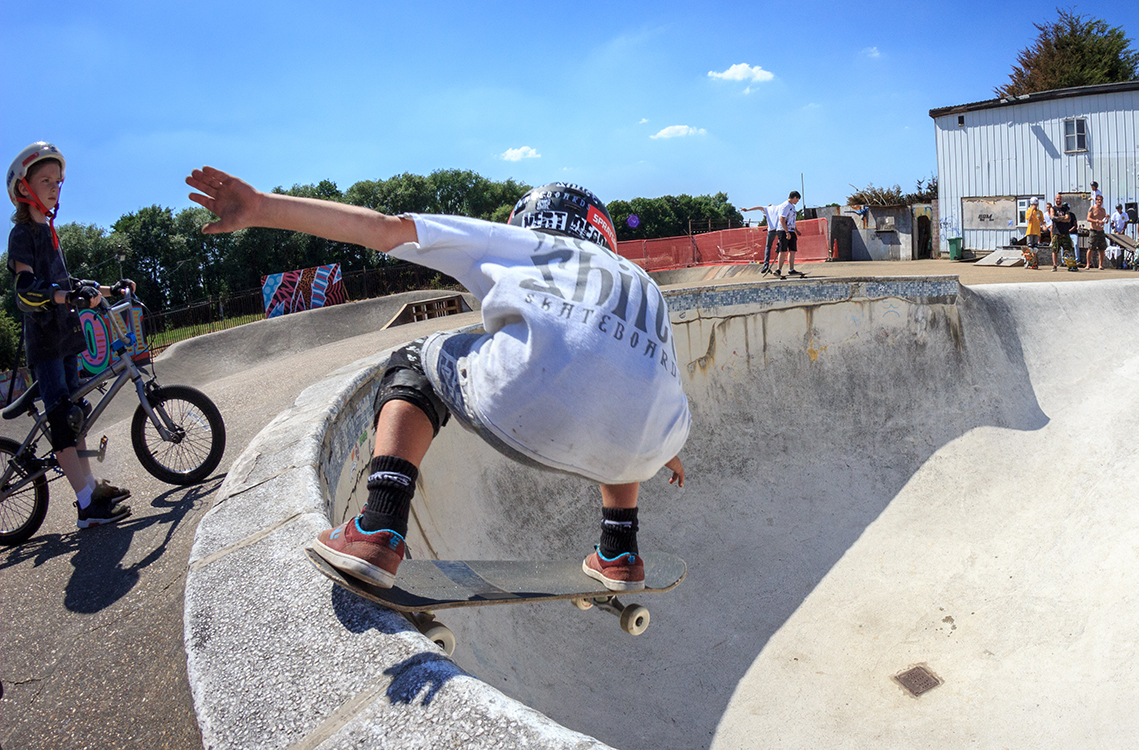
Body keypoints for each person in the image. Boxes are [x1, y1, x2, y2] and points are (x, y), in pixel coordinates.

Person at [186, 167, 690, 592]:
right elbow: (641, 372)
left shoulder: (518, 241)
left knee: (415, 354)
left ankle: (379, 524)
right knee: (609, 380)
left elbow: (381, 229)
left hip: (525, 404)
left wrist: (260, 207)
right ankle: (621, 552)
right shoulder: (638, 279)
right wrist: (659, 446)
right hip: (652, 439)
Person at [6, 142, 132, 528]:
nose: (54, 187)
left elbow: (67, 283)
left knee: (76, 417)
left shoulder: (51, 233)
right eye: (45, 180)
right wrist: (63, 295)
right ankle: (84, 505)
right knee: (63, 420)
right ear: (24, 188)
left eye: (58, 181)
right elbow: (26, 290)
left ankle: (91, 488)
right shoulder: (23, 235)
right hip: (45, 341)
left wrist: (108, 290)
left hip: (66, 335)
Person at [740, 202, 780, 273]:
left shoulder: (767, 208)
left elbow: (758, 207)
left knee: (768, 246)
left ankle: (766, 264)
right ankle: (779, 245)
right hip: (779, 229)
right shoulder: (778, 207)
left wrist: (747, 210)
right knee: (781, 241)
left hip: (771, 230)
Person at [773, 191, 803, 279]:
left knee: (792, 250)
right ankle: (779, 269)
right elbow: (782, 219)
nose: (797, 201)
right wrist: (786, 232)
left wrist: (796, 230)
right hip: (783, 230)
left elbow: (792, 220)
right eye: (797, 199)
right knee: (783, 250)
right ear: (794, 197)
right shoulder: (785, 206)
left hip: (791, 230)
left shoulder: (792, 207)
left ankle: (791, 269)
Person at [1050, 199, 1076, 272]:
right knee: (1055, 250)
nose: (1058, 200)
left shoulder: (1065, 209)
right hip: (1056, 232)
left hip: (1065, 232)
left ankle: (1070, 265)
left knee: (1068, 249)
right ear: (1055, 199)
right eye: (1057, 198)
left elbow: (1068, 219)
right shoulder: (1053, 208)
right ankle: (1055, 265)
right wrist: (1062, 218)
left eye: (1059, 198)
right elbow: (1053, 218)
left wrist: (1059, 218)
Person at [1086, 194, 1107, 270]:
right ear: (1095, 201)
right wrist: (1096, 221)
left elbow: (1105, 221)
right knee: (1090, 248)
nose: (1100, 201)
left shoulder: (1103, 210)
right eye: (1098, 200)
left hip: (1100, 231)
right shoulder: (1092, 208)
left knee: (1102, 248)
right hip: (1093, 231)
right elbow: (1088, 218)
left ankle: (1100, 265)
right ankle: (1088, 264)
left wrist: (1106, 219)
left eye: (1101, 200)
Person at [1025, 197, 1043, 264]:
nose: (1035, 206)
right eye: (1033, 205)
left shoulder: (1039, 212)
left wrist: (1040, 218)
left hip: (1037, 231)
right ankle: (1028, 262)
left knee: (1035, 248)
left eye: (1036, 204)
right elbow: (1028, 219)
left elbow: (1042, 221)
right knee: (1030, 248)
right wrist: (1032, 211)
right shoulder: (1029, 211)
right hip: (1030, 231)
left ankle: (1034, 262)